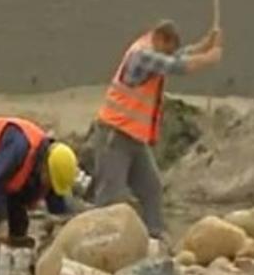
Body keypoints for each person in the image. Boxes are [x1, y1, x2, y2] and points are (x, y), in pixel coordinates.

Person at [94, 20, 223, 241]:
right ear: (161, 39)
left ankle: (155, 237)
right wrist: (209, 58)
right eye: (169, 47)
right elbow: (174, 65)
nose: (170, 53)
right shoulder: (142, 54)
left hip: (133, 137)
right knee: (110, 196)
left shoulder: (153, 50)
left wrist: (203, 45)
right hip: (114, 136)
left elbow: (173, 58)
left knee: (151, 187)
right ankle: (101, 243)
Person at [0, 117, 79, 275]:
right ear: (45, 167)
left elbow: (57, 205)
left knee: (20, 220)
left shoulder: (52, 166)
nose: (48, 186)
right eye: (49, 182)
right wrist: (2, 220)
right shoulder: (19, 148)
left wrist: (61, 228)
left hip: (5, 174)